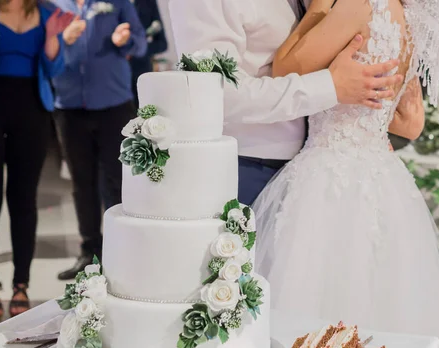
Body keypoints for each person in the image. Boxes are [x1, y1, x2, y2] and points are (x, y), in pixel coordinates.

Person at [250, 0, 439, 348]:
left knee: (314, 312)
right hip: (381, 171)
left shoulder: (353, 5)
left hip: (331, 175)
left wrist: (315, 13)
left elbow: (282, 72)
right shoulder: (403, 14)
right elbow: (410, 123)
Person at [170, 0, 401, 206]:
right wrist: (329, 87)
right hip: (244, 171)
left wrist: (365, 133)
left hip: (314, 171)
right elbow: (219, 93)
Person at [0, 0, 74, 320]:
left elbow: (56, 69)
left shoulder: (48, 12)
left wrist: (52, 38)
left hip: (31, 112)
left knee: (24, 200)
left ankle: (22, 283)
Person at [52, 0, 147, 280]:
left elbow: (140, 44)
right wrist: (62, 39)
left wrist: (125, 40)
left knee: (118, 181)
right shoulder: (52, 5)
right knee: (81, 182)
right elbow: (43, 50)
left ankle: (123, 252)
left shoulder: (118, 3)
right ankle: (89, 252)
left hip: (114, 105)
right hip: (68, 106)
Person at [129, 0, 167, 108]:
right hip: (115, 78)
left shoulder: (148, 3)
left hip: (141, 74)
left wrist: (139, 48)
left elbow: (162, 44)